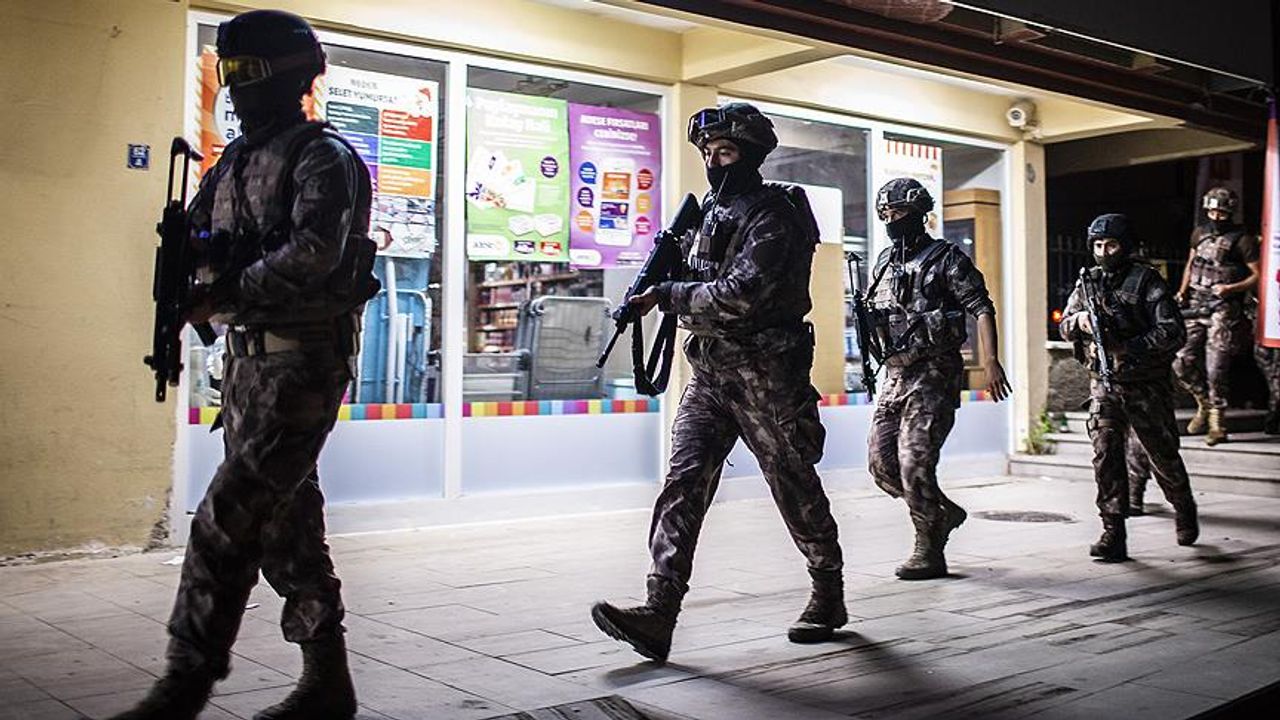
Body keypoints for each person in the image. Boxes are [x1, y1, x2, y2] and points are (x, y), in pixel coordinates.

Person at [110, 10, 377, 720]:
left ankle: (184, 685)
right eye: (227, 73)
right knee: (287, 531)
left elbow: (314, 252)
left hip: (302, 364)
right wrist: (188, 267)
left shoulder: (323, 157)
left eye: (247, 72)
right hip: (246, 371)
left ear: (293, 74)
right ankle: (327, 684)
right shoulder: (229, 164)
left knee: (225, 517)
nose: (236, 87)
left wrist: (225, 294)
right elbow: (205, 240)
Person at [590, 103, 845, 663]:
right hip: (710, 372)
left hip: (767, 375)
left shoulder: (774, 216)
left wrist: (668, 295)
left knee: (791, 483)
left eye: (724, 152)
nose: (713, 162)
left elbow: (739, 295)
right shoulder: (709, 213)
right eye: (707, 152)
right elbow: (699, 279)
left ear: (751, 156)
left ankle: (828, 589)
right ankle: (659, 610)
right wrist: (661, 278)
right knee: (684, 481)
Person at [862, 178, 1011, 580]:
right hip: (895, 374)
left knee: (914, 462)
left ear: (919, 215)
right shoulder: (883, 263)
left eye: (899, 213)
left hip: (933, 374)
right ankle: (941, 512)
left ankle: (928, 548)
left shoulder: (947, 258)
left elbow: (981, 307)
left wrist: (991, 361)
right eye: (886, 214)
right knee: (882, 465)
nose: (892, 220)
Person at [1060, 214, 1199, 562]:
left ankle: (1182, 504)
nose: (1103, 252)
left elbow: (1173, 332)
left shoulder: (1146, 281)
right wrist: (1079, 322)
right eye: (1097, 245)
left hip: (1145, 385)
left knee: (1161, 454)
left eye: (1111, 245)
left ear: (1125, 246)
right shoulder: (1088, 282)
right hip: (1104, 384)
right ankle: (1113, 530)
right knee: (1105, 455)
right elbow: (1065, 325)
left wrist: (1129, 347)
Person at [1173, 188, 1261, 445]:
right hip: (1196, 305)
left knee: (1216, 367)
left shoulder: (1242, 240)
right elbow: (1191, 264)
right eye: (1212, 211)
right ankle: (1204, 402)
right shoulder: (1200, 233)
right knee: (1181, 360)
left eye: (1221, 212)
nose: (1216, 216)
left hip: (1223, 308)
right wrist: (1182, 291)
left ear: (1230, 212)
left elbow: (1257, 275)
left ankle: (1217, 423)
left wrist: (1231, 288)